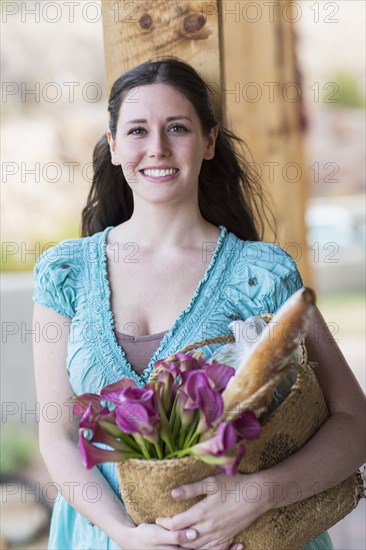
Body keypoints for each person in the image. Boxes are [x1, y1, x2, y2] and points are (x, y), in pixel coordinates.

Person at [32, 58, 365, 550]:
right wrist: (123, 532)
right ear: (114, 144)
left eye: (178, 128)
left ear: (209, 142)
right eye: (138, 130)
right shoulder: (65, 273)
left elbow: (353, 421)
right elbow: (57, 434)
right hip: (99, 538)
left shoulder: (263, 274)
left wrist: (259, 493)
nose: (157, 148)